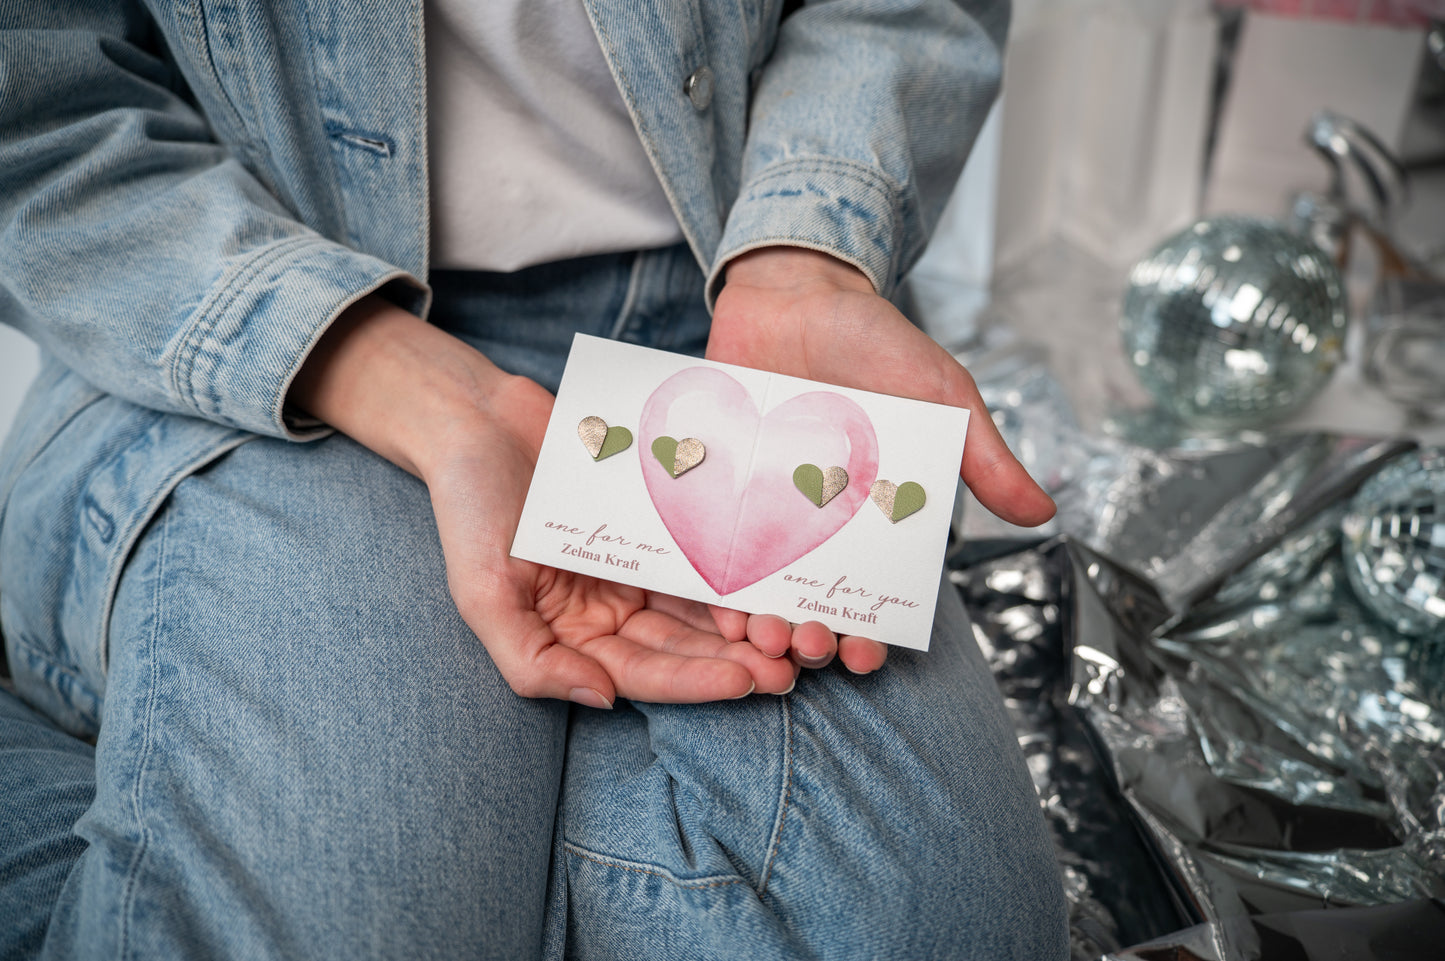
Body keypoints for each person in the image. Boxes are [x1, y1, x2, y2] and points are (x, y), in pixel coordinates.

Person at [0, 0, 1069, 957]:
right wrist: (403, 383)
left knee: (941, 929)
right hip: (275, 332)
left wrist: (808, 252)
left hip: (726, 301)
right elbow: (39, 127)